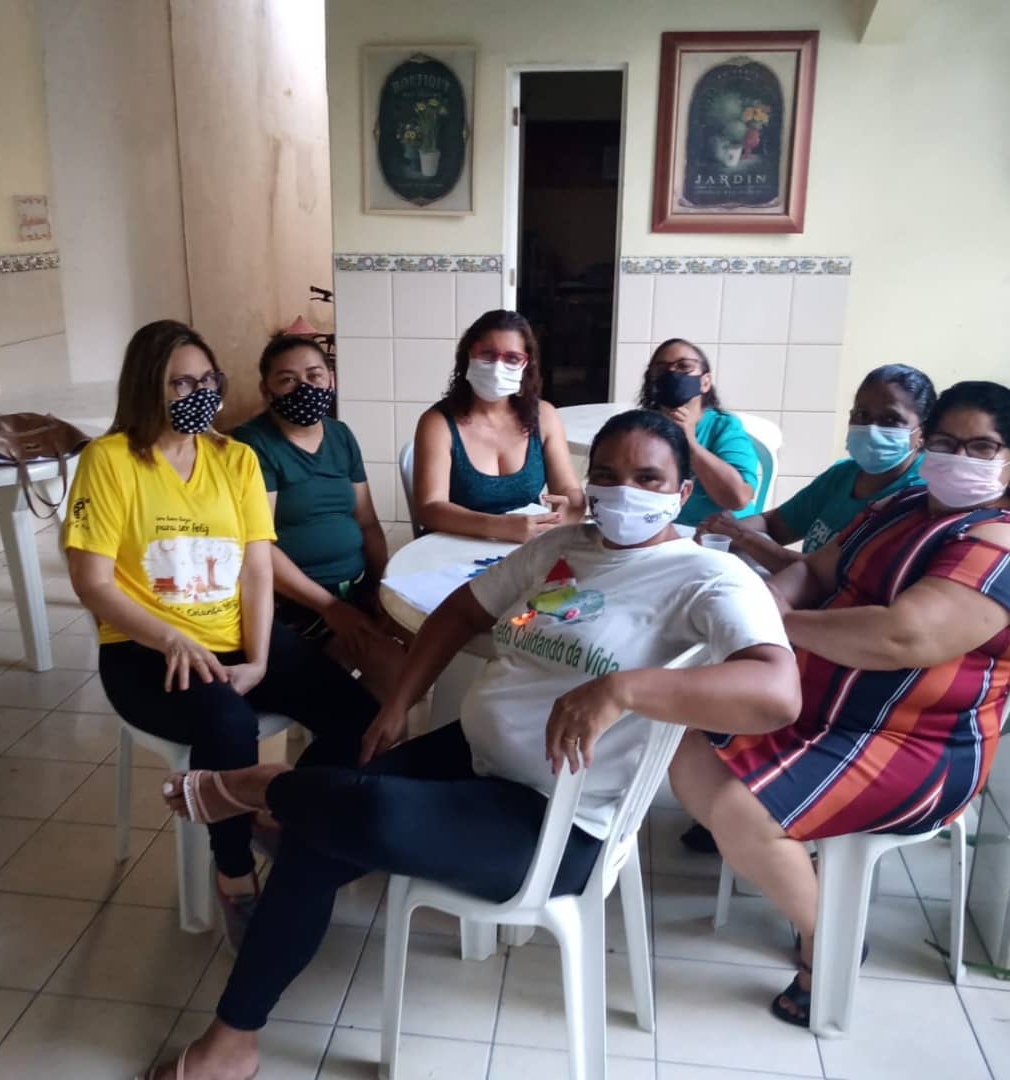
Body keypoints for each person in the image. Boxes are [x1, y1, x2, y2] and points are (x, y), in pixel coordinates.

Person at [142, 409, 800, 1079]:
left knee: (357, 813)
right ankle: (235, 1037)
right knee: (325, 821)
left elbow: (778, 691)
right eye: (605, 475)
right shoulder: (563, 546)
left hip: (556, 821)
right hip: (471, 755)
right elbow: (460, 610)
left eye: (647, 478)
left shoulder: (708, 578)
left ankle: (260, 789)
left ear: (682, 491)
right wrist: (397, 704)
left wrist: (624, 688)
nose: (623, 492)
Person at [669, 380, 1010, 1028]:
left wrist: (782, 626)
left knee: (743, 811)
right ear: (924, 443)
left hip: (918, 743)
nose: (957, 458)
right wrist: (770, 601)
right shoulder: (903, 502)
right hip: (823, 709)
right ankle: (810, 883)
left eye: (981, 447)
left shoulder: (998, 544)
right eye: (944, 442)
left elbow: (902, 637)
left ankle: (828, 940)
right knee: (690, 753)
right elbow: (816, 568)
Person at [63, 320, 377, 949]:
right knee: (230, 724)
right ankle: (234, 875)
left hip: (236, 635)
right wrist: (170, 639)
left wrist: (258, 658)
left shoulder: (234, 459)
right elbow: (92, 581)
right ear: (147, 387)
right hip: (144, 650)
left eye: (208, 381)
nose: (200, 394)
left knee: (358, 714)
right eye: (181, 383)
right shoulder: (110, 460)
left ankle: (280, 813)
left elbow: (258, 569)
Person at [233, 332, 405, 701]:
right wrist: (330, 608)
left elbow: (368, 523)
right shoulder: (251, 445)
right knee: (396, 673)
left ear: (331, 379)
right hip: (296, 604)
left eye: (314, 376)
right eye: (288, 380)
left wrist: (382, 588)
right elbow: (258, 547)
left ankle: (353, 720)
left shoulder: (341, 435)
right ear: (266, 390)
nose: (305, 388)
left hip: (354, 589)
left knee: (431, 642)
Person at [700, 364, 936, 574]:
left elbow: (835, 576)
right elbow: (776, 524)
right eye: (862, 414)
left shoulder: (917, 498)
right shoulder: (844, 474)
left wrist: (742, 536)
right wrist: (720, 529)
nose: (871, 429)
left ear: (923, 433)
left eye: (891, 420)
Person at [413, 309, 586, 541]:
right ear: (468, 355)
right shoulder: (438, 423)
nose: (497, 367)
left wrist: (571, 509)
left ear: (526, 365)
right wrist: (498, 527)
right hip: (453, 546)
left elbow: (569, 490)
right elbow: (429, 508)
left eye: (512, 358)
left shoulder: (544, 417)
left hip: (525, 545)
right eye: (487, 354)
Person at [638, 338, 759, 527]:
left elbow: (738, 498)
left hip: (726, 534)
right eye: (661, 369)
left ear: (705, 382)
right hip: (665, 532)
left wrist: (689, 442)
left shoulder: (723, 427)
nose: (672, 373)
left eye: (684, 366)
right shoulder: (641, 429)